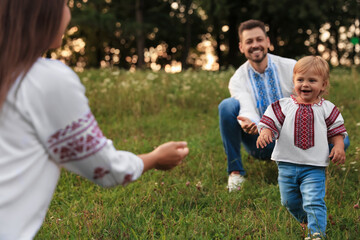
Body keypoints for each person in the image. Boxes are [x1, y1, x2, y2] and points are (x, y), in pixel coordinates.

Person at [0, 1, 189, 239]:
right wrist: (154, 158)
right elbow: (106, 170)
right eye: (65, 4)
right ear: (43, 14)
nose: (69, 13)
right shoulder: (46, 80)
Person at [256, 56, 347, 238]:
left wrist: (339, 146)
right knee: (288, 201)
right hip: (286, 163)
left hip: (314, 166)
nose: (305, 84)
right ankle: (306, 220)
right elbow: (270, 122)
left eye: (312, 80)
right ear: (294, 81)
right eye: (301, 79)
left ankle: (316, 233)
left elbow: (336, 131)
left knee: (313, 200)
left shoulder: (327, 108)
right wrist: (266, 132)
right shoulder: (284, 105)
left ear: (323, 85)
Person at [218, 19, 297, 192]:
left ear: (267, 42)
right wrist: (251, 122)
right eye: (249, 41)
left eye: (259, 39)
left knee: (342, 141)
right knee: (227, 105)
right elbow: (245, 106)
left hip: (295, 139)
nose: (255, 45)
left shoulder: (291, 67)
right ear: (241, 47)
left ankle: (303, 165)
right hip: (261, 143)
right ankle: (235, 173)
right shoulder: (238, 79)